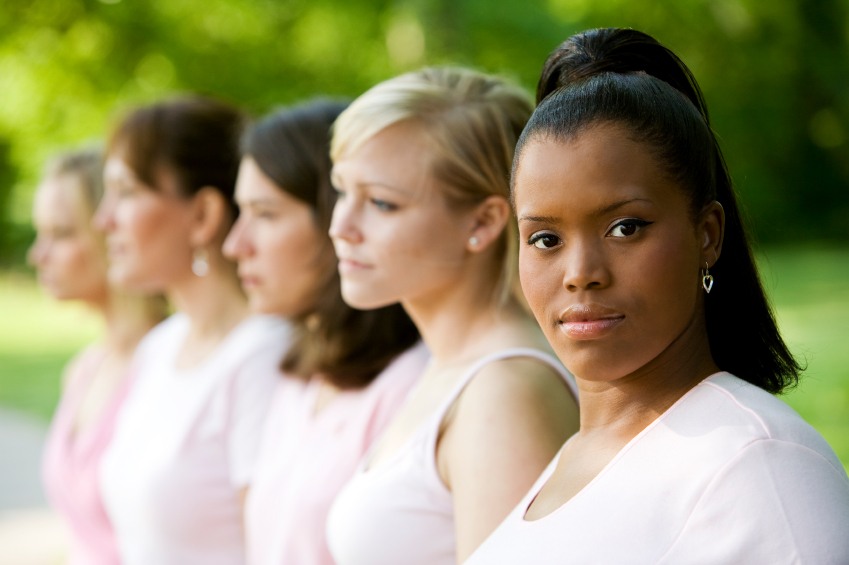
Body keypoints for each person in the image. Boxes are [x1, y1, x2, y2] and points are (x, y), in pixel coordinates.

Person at [465, 28, 849, 564]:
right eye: (546, 239)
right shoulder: (576, 458)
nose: (581, 274)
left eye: (625, 228)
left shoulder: (757, 468)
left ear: (707, 234)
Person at [325, 67, 580, 565]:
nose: (341, 226)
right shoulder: (449, 365)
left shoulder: (505, 392)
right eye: (341, 191)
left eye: (380, 202)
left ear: (483, 222)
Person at [221, 99, 428, 565]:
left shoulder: (406, 387)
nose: (236, 245)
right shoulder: (296, 375)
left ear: (336, 220)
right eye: (241, 212)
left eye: (266, 214)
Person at [93, 96, 291, 565]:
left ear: (203, 215)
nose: (104, 220)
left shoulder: (262, 357)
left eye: (126, 192)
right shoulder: (159, 347)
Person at [29, 148, 166, 565]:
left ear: (111, 228)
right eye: (40, 233)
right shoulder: (85, 369)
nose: (39, 255)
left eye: (62, 233)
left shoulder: (165, 369)